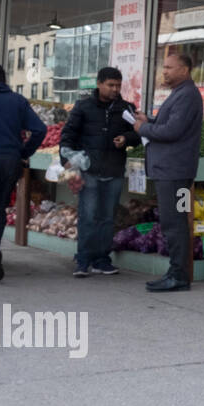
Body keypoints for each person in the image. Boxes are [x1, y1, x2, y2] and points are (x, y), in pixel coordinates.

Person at [131, 53, 203, 293]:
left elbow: (172, 131)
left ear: (184, 70)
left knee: (175, 223)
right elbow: (171, 125)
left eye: (170, 68)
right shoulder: (181, 93)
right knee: (177, 221)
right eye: (165, 68)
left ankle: (179, 275)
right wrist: (150, 119)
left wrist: (145, 128)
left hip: (174, 172)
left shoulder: (187, 95)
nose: (165, 72)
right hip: (176, 171)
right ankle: (176, 272)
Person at [60, 67, 141, 277]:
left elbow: (139, 133)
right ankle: (83, 259)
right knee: (88, 216)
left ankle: (102, 259)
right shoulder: (83, 107)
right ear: (99, 84)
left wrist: (127, 138)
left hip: (114, 170)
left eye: (118, 85)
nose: (115, 89)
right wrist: (66, 160)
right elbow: (68, 135)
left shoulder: (126, 108)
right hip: (90, 170)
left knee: (107, 217)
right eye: (110, 85)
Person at [0, 63, 46, 283]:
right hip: (10, 163)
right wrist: (23, 152)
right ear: (4, 80)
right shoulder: (18, 101)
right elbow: (40, 130)